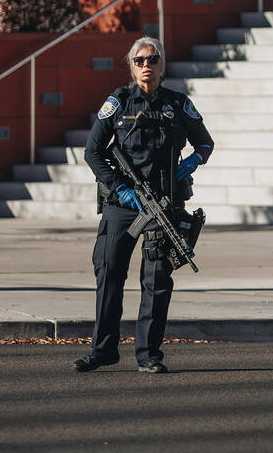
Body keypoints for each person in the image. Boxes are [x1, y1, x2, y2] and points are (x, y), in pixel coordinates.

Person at [74, 36, 214, 374]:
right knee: (109, 272)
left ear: (162, 65)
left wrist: (190, 163)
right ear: (131, 65)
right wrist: (119, 189)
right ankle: (104, 350)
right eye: (139, 60)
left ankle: (149, 354)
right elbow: (92, 152)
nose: (146, 65)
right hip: (123, 203)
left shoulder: (178, 104)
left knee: (156, 278)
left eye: (152, 59)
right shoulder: (119, 103)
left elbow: (205, 143)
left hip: (163, 203)